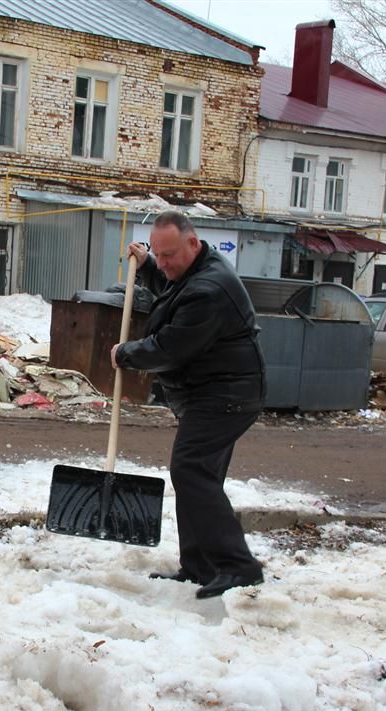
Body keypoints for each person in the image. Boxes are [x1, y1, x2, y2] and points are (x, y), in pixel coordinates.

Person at [110, 211, 266, 599]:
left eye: (167, 255)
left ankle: (238, 567)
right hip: (215, 392)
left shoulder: (210, 289)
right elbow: (171, 284)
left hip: (225, 397)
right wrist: (147, 266)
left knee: (190, 470)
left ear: (193, 243)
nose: (163, 263)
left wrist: (125, 354)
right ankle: (199, 566)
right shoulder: (195, 271)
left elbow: (169, 348)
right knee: (199, 477)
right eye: (157, 255)